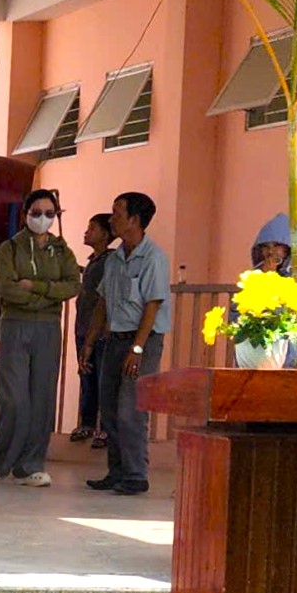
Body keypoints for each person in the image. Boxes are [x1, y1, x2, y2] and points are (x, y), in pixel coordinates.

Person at [0, 189, 81, 488]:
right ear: (26, 214)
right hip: (15, 325)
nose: (43, 219)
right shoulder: (9, 249)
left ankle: (31, 465)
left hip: (48, 329)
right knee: (13, 398)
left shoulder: (62, 251)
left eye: (50, 213)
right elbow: (6, 287)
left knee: (42, 398)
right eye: (37, 213)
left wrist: (35, 287)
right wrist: (47, 295)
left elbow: (72, 285)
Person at [91, 192, 170, 497]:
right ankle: (116, 471)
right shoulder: (114, 259)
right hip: (115, 338)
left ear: (135, 220)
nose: (112, 219)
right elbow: (103, 301)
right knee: (109, 407)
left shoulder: (153, 258)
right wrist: (90, 342)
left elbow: (152, 306)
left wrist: (137, 349)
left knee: (131, 408)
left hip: (143, 341)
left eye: (117, 214)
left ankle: (136, 474)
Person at [68, 214, 113, 446]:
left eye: (92, 228)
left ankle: (104, 427)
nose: (87, 232)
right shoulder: (94, 262)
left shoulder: (110, 261)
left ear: (105, 234)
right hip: (83, 327)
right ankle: (87, 422)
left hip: (100, 330)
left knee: (102, 378)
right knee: (86, 376)